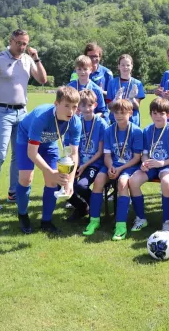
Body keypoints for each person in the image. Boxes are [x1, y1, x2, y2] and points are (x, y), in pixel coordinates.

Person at [0, 29, 48, 211]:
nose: (22, 47)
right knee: (0, 154)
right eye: (19, 43)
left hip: (22, 113)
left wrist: (36, 58)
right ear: (11, 40)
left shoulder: (27, 59)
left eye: (25, 43)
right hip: (3, 112)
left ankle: (13, 193)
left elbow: (43, 80)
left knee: (19, 155)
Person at [14, 86, 82, 234]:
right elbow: (32, 153)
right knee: (26, 178)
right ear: (56, 104)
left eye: (75, 107)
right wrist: (50, 171)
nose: (71, 111)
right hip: (26, 140)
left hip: (50, 143)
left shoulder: (76, 122)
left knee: (52, 181)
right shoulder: (41, 117)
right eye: (66, 106)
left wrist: (70, 181)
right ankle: (23, 214)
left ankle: (46, 221)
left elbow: (74, 154)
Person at [83, 99, 143, 240]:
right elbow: (107, 155)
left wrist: (120, 168)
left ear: (130, 113)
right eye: (116, 112)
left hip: (129, 166)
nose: (119, 115)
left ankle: (121, 225)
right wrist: (110, 166)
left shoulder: (136, 131)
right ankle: (94, 221)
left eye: (122, 112)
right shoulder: (109, 130)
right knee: (98, 180)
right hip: (112, 165)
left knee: (122, 183)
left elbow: (136, 158)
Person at [128, 98, 169, 232]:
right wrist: (145, 162)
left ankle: (167, 221)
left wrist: (162, 163)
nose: (158, 116)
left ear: (168, 115)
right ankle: (141, 218)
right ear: (150, 114)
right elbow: (145, 153)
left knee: (166, 182)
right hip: (152, 164)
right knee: (133, 181)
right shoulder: (147, 131)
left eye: (161, 113)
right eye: (154, 113)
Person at [66, 89, 109, 222]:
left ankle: (94, 205)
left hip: (94, 164)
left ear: (95, 105)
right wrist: (75, 164)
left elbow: (100, 151)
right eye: (83, 105)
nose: (86, 109)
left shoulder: (101, 124)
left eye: (89, 105)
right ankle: (81, 207)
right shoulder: (75, 122)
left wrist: (84, 166)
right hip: (77, 162)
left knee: (81, 186)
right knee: (62, 184)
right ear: (78, 106)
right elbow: (72, 147)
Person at [106, 54, 145, 126]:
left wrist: (132, 99)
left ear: (132, 66)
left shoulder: (137, 83)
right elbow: (109, 106)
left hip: (132, 122)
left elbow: (137, 106)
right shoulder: (112, 83)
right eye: (122, 65)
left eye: (128, 65)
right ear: (118, 66)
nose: (125, 67)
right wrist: (115, 100)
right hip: (115, 121)